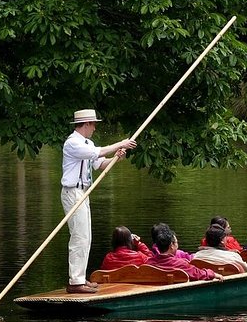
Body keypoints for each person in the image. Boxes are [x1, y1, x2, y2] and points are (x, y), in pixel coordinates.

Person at [61, 109, 137, 294]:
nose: (95, 127)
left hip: (83, 193)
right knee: (79, 236)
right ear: (86, 124)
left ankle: (80, 278)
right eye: (93, 124)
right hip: (72, 192)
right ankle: (75, 282)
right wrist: (121, 142)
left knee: (86, 236)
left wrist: (116, 158)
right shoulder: (72, 143)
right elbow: (98, 152)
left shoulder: (88, 143)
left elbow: (99, 163)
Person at [146, 225, 224, 282]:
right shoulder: (180, 264)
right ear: (171, 246)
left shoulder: (148, 263)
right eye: (176, 242)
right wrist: (213, 274)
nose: (177, 245)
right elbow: (198, 273)